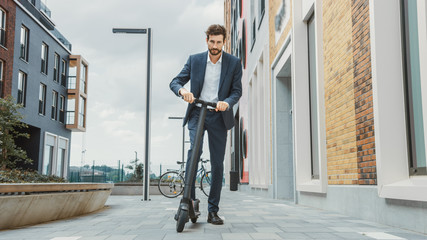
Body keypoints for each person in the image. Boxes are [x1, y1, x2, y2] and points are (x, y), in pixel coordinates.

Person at [170, 24, 242, 225]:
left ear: (224, 42)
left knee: (217, 164)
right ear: (207, 40)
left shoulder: (233, 63)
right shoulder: (195, 60)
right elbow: (175, 82)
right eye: (212, 41)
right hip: (197, 113)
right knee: (194, 152)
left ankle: (213, 211)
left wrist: (226, 102)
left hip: (219, 116)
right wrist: (183, 92)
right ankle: (190, 201)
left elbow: (236, 91)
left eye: (219, 42)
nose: (215, 46)